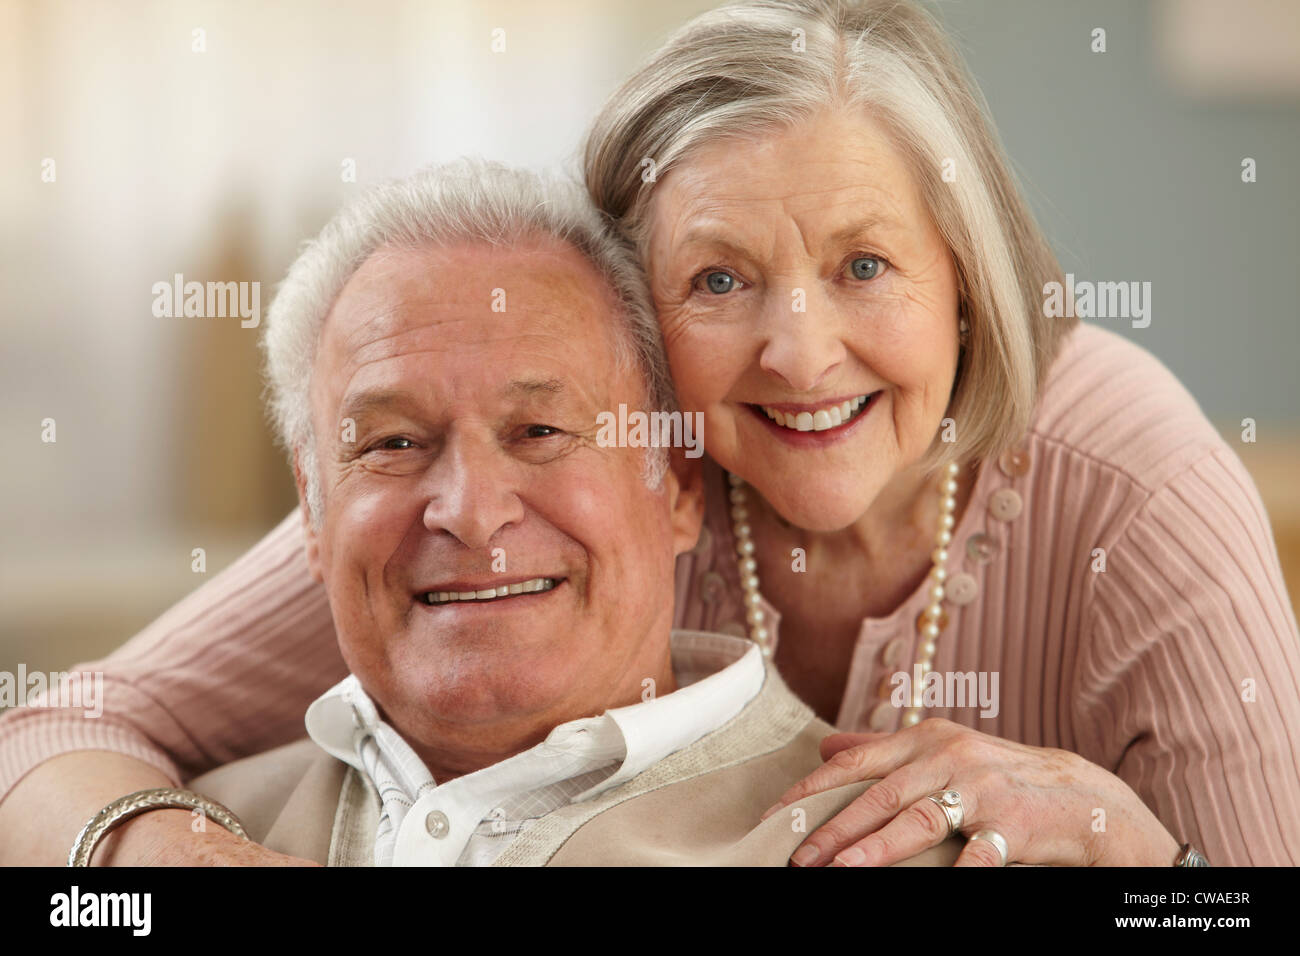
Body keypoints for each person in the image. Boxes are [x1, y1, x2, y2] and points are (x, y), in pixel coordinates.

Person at [2, 0, 1296, 868]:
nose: (800, 350)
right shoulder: (503, 486)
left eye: (863, 266)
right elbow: (52, 733)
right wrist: (163, 861)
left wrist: (1140, 850)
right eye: (720, 281)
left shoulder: (1137, 486)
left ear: (964, 278)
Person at [65, 161, 963, 867]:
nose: (469, 513)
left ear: (679, 485)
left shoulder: (885, 841)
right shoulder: (166, 837)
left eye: (540, 430)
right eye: (392, 443)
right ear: (311, 509)